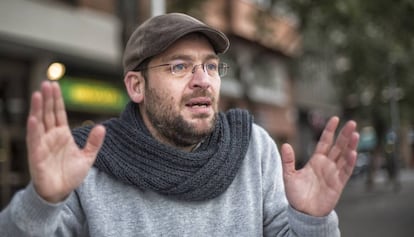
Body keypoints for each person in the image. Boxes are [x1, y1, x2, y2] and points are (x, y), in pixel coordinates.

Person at [0, 13, 359, 236]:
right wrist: (41, 202)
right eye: (179, 66)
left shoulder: (253, 148)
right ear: (136, 86)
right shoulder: (87, 163)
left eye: (211, 66)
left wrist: (312, 220)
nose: (203, 80)